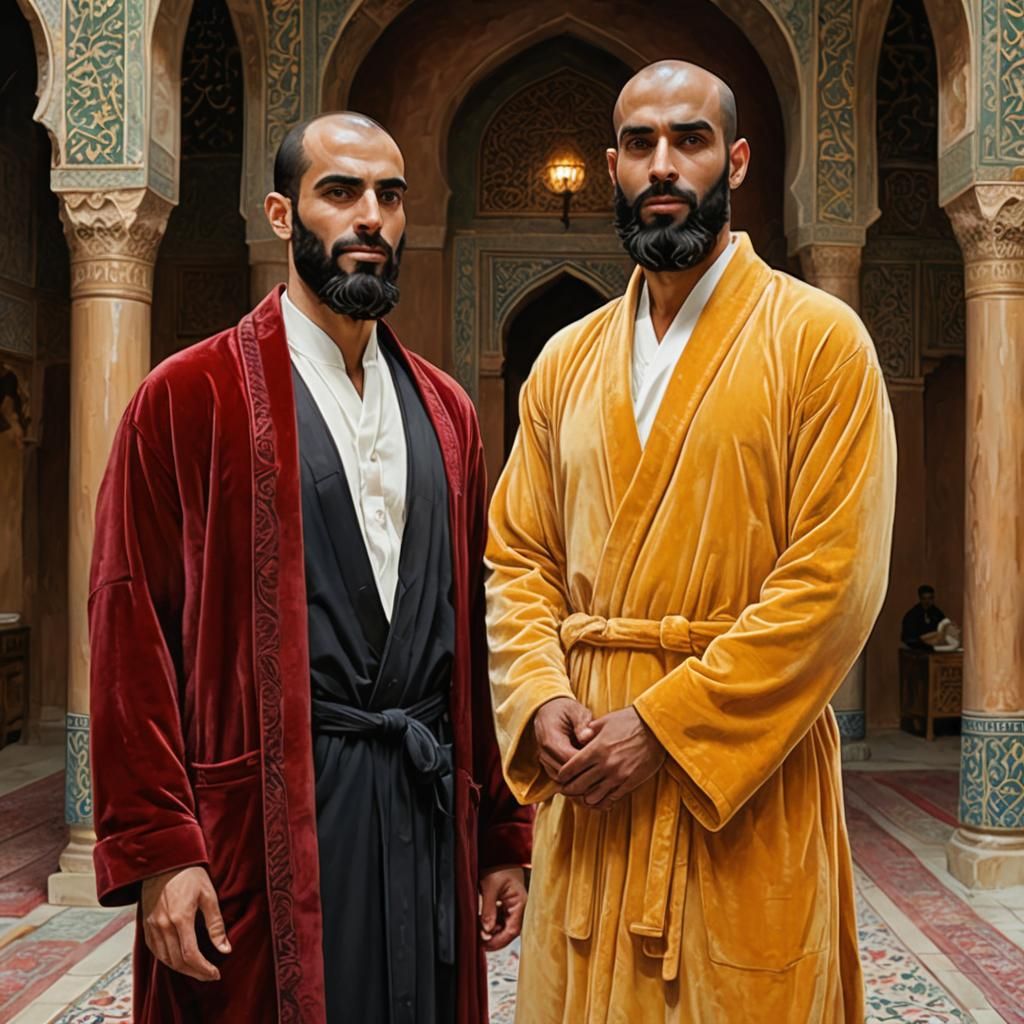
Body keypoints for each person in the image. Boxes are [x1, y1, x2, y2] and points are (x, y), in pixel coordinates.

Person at [89, 112, 531, 1024]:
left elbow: (478, 639)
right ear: (282, 215)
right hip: (261, 826)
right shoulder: (187, 397)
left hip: (421, 811)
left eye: (390, 196)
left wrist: (499, 834)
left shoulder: (448, 413)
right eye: (340, 192)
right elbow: (129, 630)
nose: (370, 216)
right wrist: (162, 849)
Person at [485, 61, 896, 1023]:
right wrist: (540, 695)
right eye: (640, 144)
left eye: (690, 140)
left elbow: (834, 583)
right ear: (614, 167)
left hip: (741, 791)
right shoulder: (564, 362)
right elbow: (519, 557)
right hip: (590, 775)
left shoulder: (820, 341)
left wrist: (669, 729)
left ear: (736, 161)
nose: (663, 165)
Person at [901, 585, 947, 650]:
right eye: (924, 598)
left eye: (930, 598)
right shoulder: (912, 614)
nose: (927, 602)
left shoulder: (936, 613)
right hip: (915, 647)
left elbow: (944, 625)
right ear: (920, 599)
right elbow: (909, 637)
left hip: (933, 645)